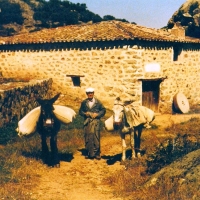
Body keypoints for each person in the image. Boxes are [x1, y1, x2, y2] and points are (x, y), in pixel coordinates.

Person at [79, 87, 106, 160]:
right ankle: (89, 153)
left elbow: (103, 110)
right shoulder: (84, 102)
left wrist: (97, 114)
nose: (90, 94)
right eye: (88, 93)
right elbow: (80, 111)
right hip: (87, 122)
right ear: (87, 94)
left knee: (96, 137)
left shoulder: (98, 102)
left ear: (93, 94)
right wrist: (85, 114)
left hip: (95, 122)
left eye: (91, 93)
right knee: (88, 137)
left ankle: (97, 153)